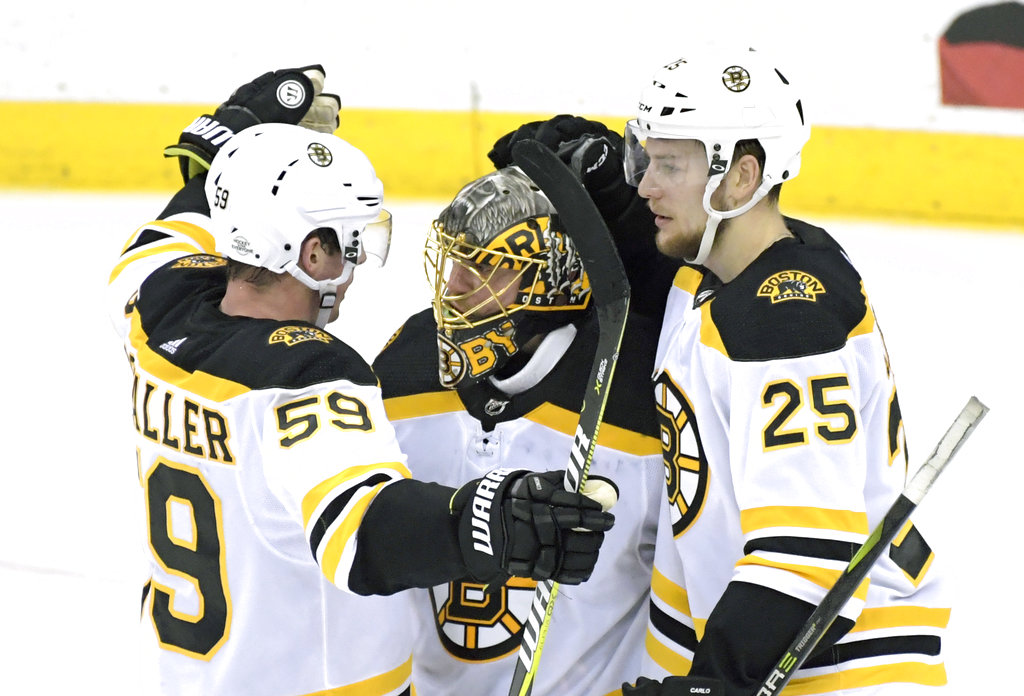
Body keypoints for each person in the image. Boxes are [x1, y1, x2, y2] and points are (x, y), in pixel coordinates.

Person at [105, 65, 614, 696]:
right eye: (350, 242)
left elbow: (158, 242)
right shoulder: (306, 375)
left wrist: (235, 147)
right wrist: (490, 518)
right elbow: (364, 532)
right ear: (312, 253)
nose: (353, 268)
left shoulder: (154, 308)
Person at [609, 47, 949, 695]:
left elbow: (809, 551)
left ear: (742, 177)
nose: (646, 186)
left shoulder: (788, 320)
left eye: (670, 166)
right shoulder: (715, 270)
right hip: (753, 653)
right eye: (645, 159)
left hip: (842, 670)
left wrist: (714, 681)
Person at [371, 163, 667, 695]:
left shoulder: (635, 393)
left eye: (485, 269)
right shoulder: (407, 364)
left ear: (550, 282)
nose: (455, 287)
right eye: (455, 262)